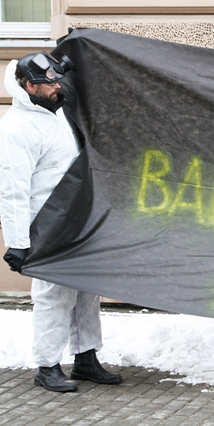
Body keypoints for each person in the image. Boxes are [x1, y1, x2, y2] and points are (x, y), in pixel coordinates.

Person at [0, 52, 122, 392]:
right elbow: (12, 190)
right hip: (46, 227)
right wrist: (18, 242)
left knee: (86, 291)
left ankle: (85, 358)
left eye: (56, 79)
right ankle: (47, 365)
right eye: (49, 82)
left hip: (77, 221)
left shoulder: (58, 114)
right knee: (53, 297)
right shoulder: (16, 128)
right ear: (28, 85)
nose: (56, 86)